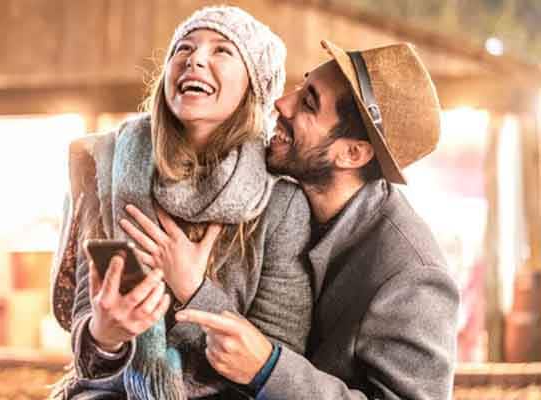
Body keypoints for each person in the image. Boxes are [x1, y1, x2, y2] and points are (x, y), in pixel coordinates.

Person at [50, 6, 312, 400]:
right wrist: (104, 333)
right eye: (184, 48)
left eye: (223, 50)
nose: (196, 58)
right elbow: (89, 360)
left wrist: (193, 288)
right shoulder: (109, 167)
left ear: (255, 85)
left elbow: (273, 363)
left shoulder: (283, 202)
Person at [177, 40, 460, 399]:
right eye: (301, 86)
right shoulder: (271, 201)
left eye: (308, 103)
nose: (282, 103)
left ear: (352, 153)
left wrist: (268, 369)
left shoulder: (413, 274)